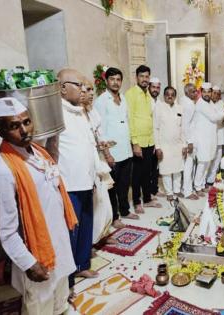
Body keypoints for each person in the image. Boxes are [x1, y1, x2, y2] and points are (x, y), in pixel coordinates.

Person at [0, 97, 77, 314]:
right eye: (14, 126)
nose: (24, 130)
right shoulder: (3, 168)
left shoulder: (38, 152)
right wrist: (28, 263)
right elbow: (6, 230)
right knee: (39, 302)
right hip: (36, 251)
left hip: (57, 240)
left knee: (60, 291)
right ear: (1, 131)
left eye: (26, 122)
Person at [57, 69, 98, 285]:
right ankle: (68, 279)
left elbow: (88, 145)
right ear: (63, 88)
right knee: (70, 232)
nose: (83, 90)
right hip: (69, 182)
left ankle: (82, 265)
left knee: (86, 226)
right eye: (78, 85)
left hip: (86, 179)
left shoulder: (79, 111)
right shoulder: (56, 111)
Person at [95, 67, 138, 227]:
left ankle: (125, 210)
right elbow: (100, 130)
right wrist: (107, 154)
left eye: (118, 79)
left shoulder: (123, 98)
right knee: (112, 186)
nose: (115, 82)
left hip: (125, 150)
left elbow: (126, 122)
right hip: (112, 152)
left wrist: (132, 144)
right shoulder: (101, 101)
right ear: (106, 81)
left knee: (125, 184)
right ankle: (114, 217)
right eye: (112, 79)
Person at [81, 78, 115, 244]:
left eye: (91, 90)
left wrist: (106, 150)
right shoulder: (75, 114)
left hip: (98, 160)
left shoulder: (92, 111)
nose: (91, 93)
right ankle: (90, 242)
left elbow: (99, 134)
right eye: (87, 90)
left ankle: (102, 235)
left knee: (103, 202)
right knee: (91, 206)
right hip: (86, 165)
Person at [125, 65, 161, 213]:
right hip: (138, 141)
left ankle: (147, 199)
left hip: (149, 140)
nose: (145, 79)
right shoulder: (131, 94)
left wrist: (153, 142)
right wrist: (135, 143)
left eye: (147, 77)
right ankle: (137, 202)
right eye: (142, 76)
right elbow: (130, 119)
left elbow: (150, 119)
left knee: (147, 172)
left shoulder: (147, 95)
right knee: (137, 174)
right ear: (136, 77)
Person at [192, 82, 224, 195]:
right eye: (204, 92)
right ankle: (197, 186)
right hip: (202, 139)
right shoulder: (201, 104)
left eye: (209, 92)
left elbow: (217, 114)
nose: (207, 94)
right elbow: (214, 117)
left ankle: (202, 184)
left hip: (211, 138)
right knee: (202, 163)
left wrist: (221, 111)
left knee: (207, 163)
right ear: (201, 92)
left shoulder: (210, 102)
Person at [154, 86, 186, 201]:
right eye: (167, 94)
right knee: (166, 170)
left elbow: (183, 128)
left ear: (175, 96)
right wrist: (158, 147)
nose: (170, 96)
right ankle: (169, 192)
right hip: (164, 145)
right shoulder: (159, 108)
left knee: (178, 169)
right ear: (164, 95)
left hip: (177, 144)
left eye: (172, 94)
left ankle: (177, 190)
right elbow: (156, 128)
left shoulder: (180, 108)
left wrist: (184, 145)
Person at [181, 83, 199, 200]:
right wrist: (190, 142)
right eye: (193, 91)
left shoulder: (185, 101)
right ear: (187, 93)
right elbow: (186, 125)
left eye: (196, 91)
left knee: (187, 165)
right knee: (189, 165)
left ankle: (185, 188)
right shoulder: (188, 105)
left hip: (187, 138)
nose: (195, 93)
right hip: (189, 139)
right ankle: (187, 192)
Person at [148, 77, 165, 198]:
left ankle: (155, 189)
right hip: (147, 138)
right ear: (149, 87)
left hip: (158, 139)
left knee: (155, 167)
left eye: (158, 87)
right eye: (153, 87)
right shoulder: (146, 100)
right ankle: (147, 192)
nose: (155, 89)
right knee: (147, 167)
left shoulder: (159, 103)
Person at [206, 85, 224, 185]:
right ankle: (205, 179)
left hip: (220, 134)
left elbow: (222, 118)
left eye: (218, 93)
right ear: (211, 93)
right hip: (209, 135)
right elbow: (215, 117)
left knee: (217, 158)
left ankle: (211, 179)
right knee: (209, 158)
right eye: (214, 93)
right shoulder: (206, 103)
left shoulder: (222, 103)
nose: (216, 95)